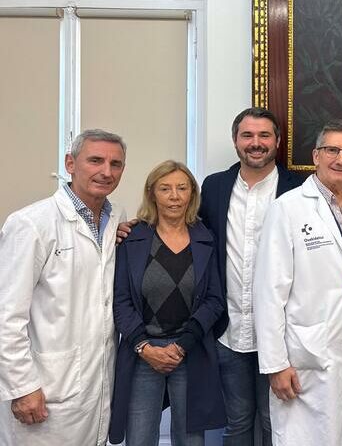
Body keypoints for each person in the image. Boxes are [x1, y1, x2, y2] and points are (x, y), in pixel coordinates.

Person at [0, 129, 127, 446]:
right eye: (95, 160)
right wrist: (22, 386)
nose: (106, 172)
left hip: (96, 384)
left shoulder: (116, 220)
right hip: (44, 388)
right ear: (70, 163)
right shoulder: (31, 223)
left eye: (115, 164)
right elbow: (7, 315)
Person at [254, 119, 342, 446]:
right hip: (306, 348)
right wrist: (275, 364)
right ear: (316, 155)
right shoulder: (288, 208)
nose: (341, 159)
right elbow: (269, 292)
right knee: (307, 435)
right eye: (332, 150)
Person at [198, 107, 301, 446]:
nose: (255, 143)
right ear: (235, 141)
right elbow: (187, 234)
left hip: (283, 335)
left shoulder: (299, 190)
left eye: (264, 135)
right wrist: (136, 227)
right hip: (229, 332)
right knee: (237, 423)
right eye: (247, 135)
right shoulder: (214, 186)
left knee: (278, 422)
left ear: (277, 141)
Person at [109, 160, 226, 445]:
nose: (174, 196)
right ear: (152, 193)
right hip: (143, 352)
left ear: (192, 193)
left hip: (188, 350)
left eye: (182, 188)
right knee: (139, 437)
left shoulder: (205, 238)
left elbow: (214, 300)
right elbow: (121, 301)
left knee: (190, 439)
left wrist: (181, 346)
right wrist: (144, 347)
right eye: (165, 188)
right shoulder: (132, 238)